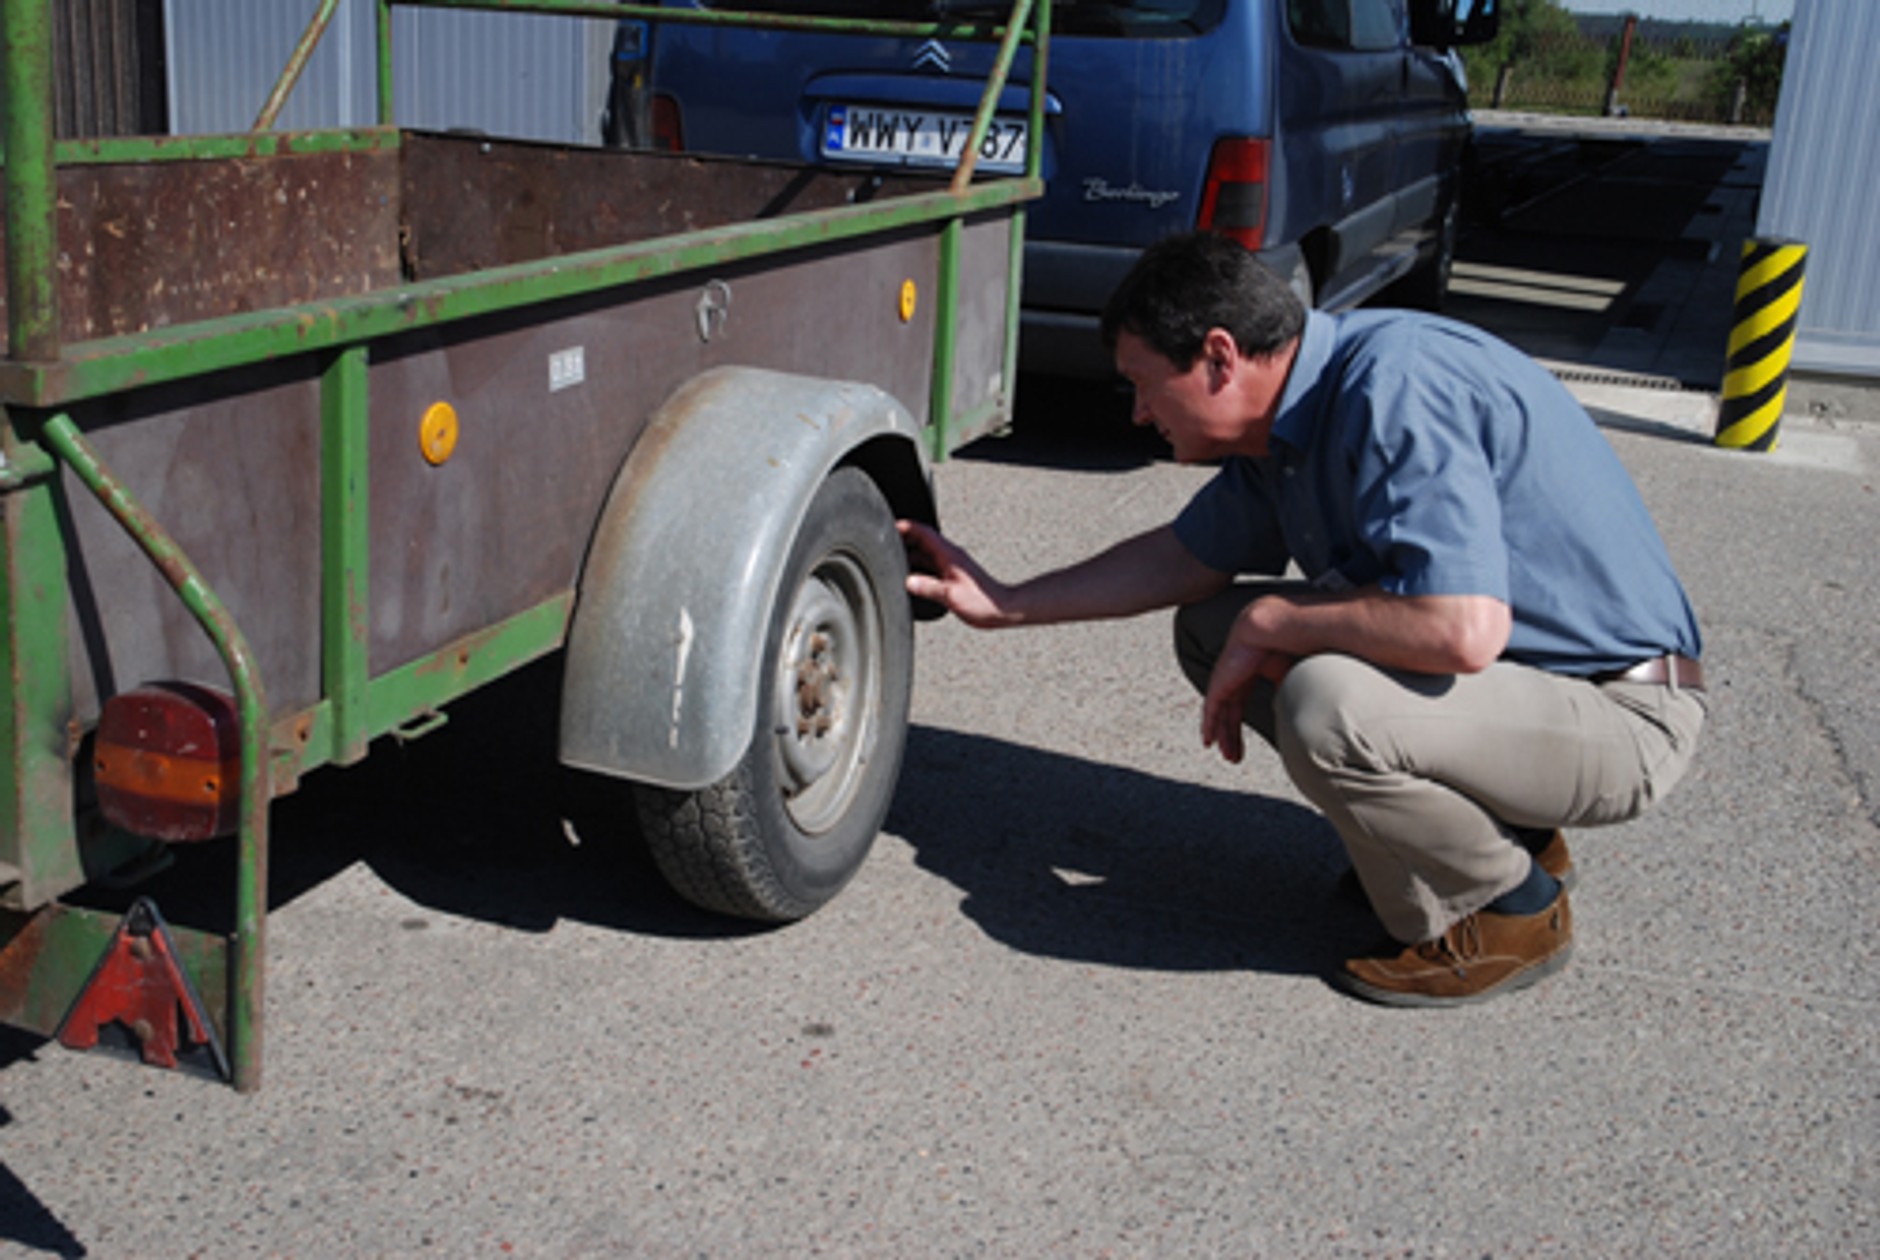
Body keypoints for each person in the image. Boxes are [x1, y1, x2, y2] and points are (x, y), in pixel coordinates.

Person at [899, 231, 1707, 1008]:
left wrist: (1281, 617)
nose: (1140, 413)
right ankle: (1497, 833)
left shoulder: (1396, 386)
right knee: (1215, 626)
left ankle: (1507, 909)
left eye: (1144, 384)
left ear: (1219, 356)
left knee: (1326, 704)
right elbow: (1186, 558)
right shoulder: (1295, 414)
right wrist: (1008, 602)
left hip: (1620, 713)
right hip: (1525, 694)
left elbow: (1463, 629)